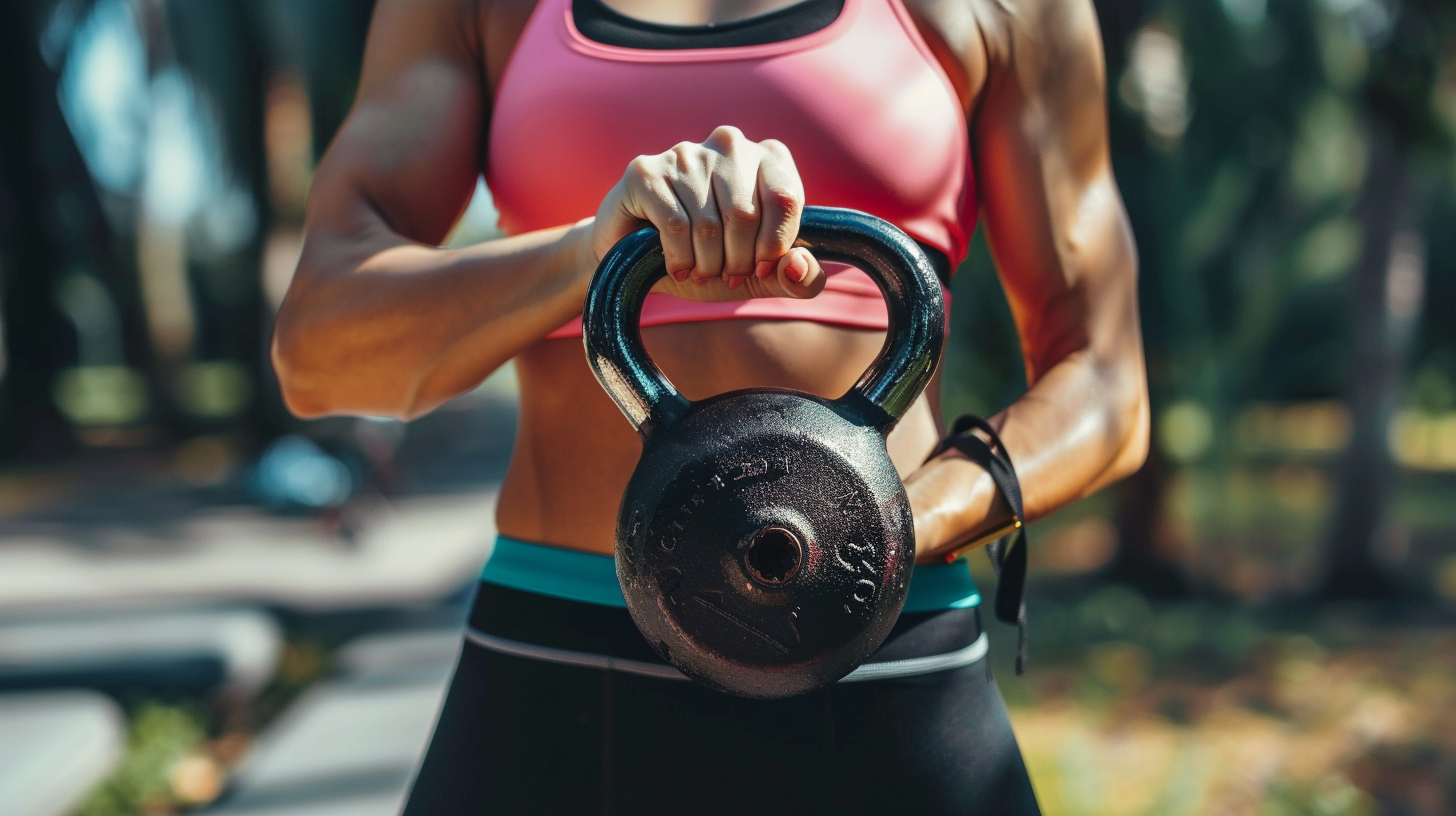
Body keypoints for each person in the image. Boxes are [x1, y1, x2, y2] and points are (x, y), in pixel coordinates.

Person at [272, 0, 1148, 812]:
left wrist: (875, 521)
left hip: (881, 652)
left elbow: (1106, 384)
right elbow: (319, 354)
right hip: (562, 667)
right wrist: (593, 255)